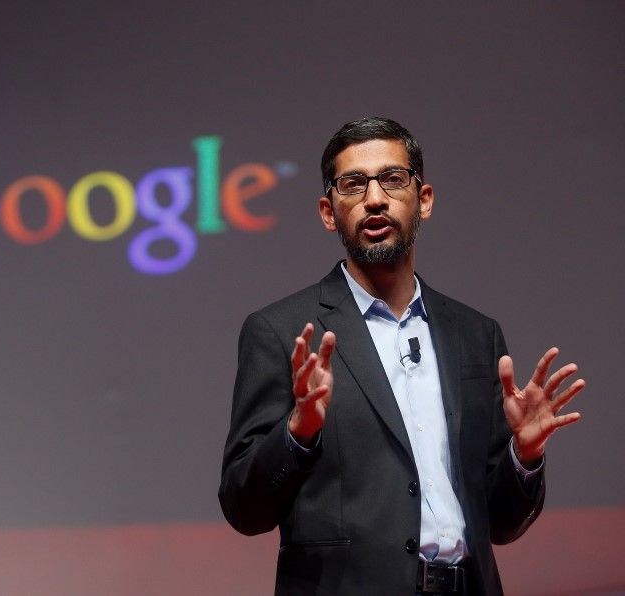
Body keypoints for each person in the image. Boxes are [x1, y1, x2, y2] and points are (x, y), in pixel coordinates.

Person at [218, 117, 583, 595]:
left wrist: (524, 455)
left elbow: (500, 524)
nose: (374, 198)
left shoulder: (475, 334)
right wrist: (298, 431)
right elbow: (244, 510)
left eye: (392, 179)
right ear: (329, 212)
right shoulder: (282, 331)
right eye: (353, 184)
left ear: (423, 200)